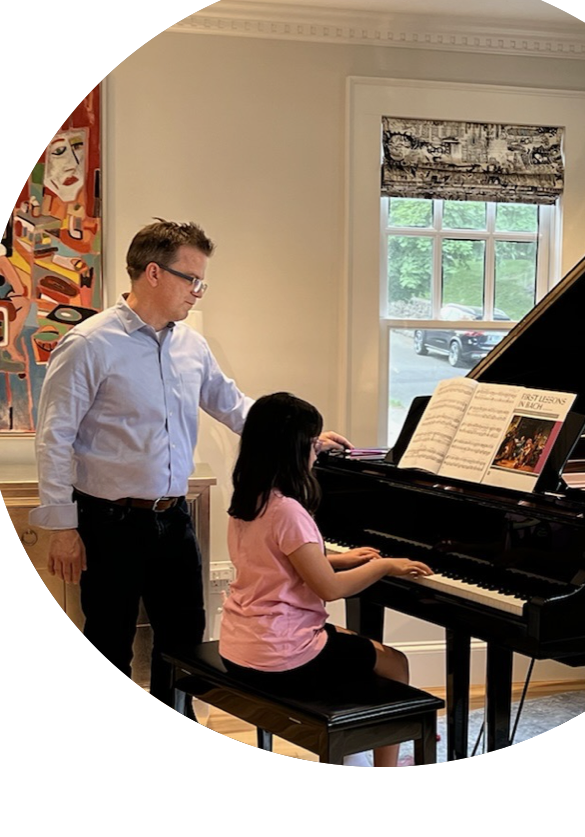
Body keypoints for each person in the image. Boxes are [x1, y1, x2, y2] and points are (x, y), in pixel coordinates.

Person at [29, 219, 350, 705]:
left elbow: (232, 405)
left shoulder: (190, 346)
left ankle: (171, 742)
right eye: (192, 279)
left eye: (202, 281)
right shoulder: (89, 345)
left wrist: (303, 438)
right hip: (107, 522)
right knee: (108, 643)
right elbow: (54, 438)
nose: (199, 292)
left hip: (174, 518)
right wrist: (61, 528)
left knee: (184, 643)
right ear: (153, 273)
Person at [219, 391, 433, 767]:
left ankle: (376, 737)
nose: (317, 451)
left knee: (350, 641)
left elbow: (279, 563)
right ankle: (388, 756)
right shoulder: (289, 511)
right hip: (282, 658)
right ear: (293, 450)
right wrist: (385, 566)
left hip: (241, 643)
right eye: (312, 443)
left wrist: (339, 558)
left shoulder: (248, 501)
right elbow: (330, 591)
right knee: (395, 662)